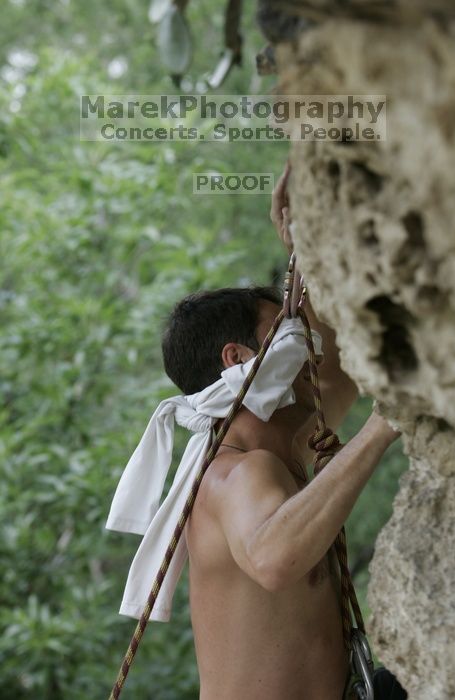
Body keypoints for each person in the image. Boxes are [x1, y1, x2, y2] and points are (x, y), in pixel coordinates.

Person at [161, 165, 404, 700]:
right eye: (286, 332)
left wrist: (305, 248)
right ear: (239, 359)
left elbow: (336, 370)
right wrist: (381, 429)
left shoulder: (284, 439)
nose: (306, 344)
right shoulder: (231, 473)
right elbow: (274, 559)